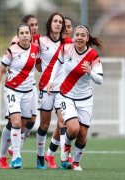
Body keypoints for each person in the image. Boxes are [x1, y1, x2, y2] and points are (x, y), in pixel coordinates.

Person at [47, 25, 104, 170]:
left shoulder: (93, 56)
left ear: (87, 38)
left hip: (85, 99)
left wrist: (90, 72)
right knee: (73, 129)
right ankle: (65, 148)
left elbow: (100, 80)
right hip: (67, 96)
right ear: (73, 37)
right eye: (77, 34)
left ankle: (76, 163)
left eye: (82, 35)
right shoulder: (66, 49)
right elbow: (57, 65)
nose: (79, 37)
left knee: (83, 134)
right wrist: (51, 81)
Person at [0, 14, 41, 169]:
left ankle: (2, 156)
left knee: (23, 124)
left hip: (29, 91)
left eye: (26, 33)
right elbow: (1, 70)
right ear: (18, 35)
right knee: (15, 122)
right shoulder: (12, 50)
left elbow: (40, 67)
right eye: (21, 33)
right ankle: (16, 157)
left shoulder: (36, 49)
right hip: (12, 90)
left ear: (30, 35)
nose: (24, 35)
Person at [35, 12, 66, 169]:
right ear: (50, 23)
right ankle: (40, 156)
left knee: (63, 123)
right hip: (45, 88)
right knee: (45, 125)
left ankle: (59, 157)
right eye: (55, 21)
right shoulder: (40, 40)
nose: (58, 24)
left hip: (62, 90)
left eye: (60, 21)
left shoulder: (67, 43)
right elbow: (36, 61)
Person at [44, 16, 74, 169]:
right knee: (58, 123)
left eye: (69, 26)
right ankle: (63, 157)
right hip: (52, 89)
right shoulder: (56, 44)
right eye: (65, 26)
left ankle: (52, 154)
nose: (67, 29)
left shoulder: (75, 45)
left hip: (67, 91)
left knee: (61, 123)